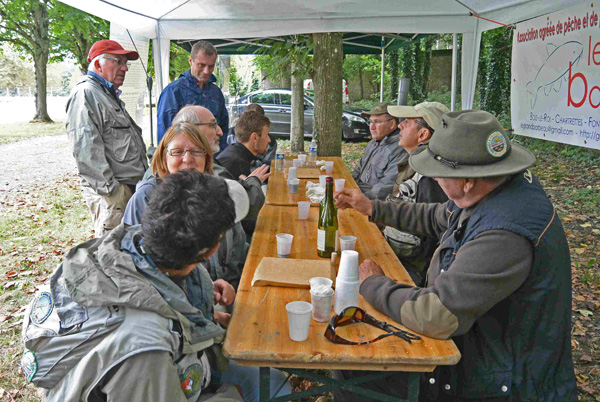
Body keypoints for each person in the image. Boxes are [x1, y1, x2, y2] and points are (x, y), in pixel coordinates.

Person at [333, 110, 577, 401]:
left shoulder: (504, 234)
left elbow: (436, 315)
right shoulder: (494, 187)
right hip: (482, 354)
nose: (434, 179)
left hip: (499, 382)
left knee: (352, 368)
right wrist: (373, 207)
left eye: (438, 173)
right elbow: (438, 216)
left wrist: (372, 284)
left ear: (468, 181)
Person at [21, 171, 291, 402]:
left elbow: (164, 298)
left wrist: (199, 322)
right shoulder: (144, 348)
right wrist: (232, 395)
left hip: (169, 369)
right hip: (154, 378)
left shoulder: (131, 245)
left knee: (272, 380)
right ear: (210, 251)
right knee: (272, 388)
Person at [122, 122, 247, 290]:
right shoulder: (145, 198)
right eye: (177, 152)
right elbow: (136, 266)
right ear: (164, 159)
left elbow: (237, 255)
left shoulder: (219, 195)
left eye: (196, 151)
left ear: (206, 158)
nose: (188, 159)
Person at [66, 39, 148, 237]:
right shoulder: (86, 93)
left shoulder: (106, 94)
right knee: (112, 254)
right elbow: (86, 151)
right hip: (114, 195)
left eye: (125, 63)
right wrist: (112, 192)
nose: (125, 68)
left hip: (128, 191)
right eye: (118, 61)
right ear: (97, 64)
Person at [382, 101, 450, 286]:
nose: (399, 125)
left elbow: (422, 243)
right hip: (396, 254)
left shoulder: (430, 177)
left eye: (408, 121)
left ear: (423, 134)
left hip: (408, 270)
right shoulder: (416, 163)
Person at [170, 105, 268, 221]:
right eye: (212, 125)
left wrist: (243, 185)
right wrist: (251, 184)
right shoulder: (153, 188)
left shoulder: (213, 164)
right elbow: (239, 209)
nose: (220, 132)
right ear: (189, 129)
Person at [157, 40, 228, 151]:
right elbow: (165, 134)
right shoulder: (173, 92)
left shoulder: (216, 92)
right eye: (201, 65)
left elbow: (223, 128)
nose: (206, 71)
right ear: (191, 61)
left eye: (211, 66)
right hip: (185, 158)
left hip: (213, 158)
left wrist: (222, 157)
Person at [352, 102, 408, 200]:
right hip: (358, 192)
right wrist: (348, 184)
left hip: (373, 204)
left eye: (377, 122)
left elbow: (385, 189)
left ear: (392, 124)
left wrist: (357, 199)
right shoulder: (373, 143)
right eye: (370, 122)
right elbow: (360, 169)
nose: (372, 127)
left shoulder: (400, 149)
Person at [216, 111, 271, 181]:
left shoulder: (237, 154)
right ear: (255, 138)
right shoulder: (233, 164)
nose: (269, 140)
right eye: (267, 134)